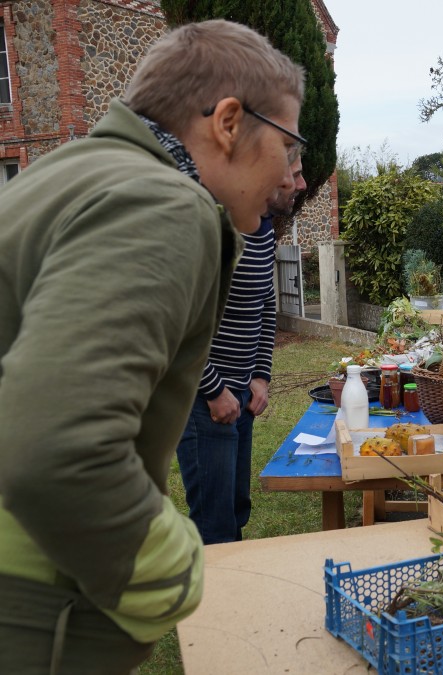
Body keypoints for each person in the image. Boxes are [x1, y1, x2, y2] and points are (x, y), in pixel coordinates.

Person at [0, 20, 305, 673]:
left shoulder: (75, 172)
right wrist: (177, 567)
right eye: (289, 142)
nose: (291, 171)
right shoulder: (162, 202)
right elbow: (57, 449)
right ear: (228, 122)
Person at [177, 159, 307, 544]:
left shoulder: (262, 228)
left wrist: (261, 375)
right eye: (294, 173)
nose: (300, 184)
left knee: (235, 511)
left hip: (242, 398)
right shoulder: (213, 225)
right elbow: (179, 319)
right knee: (215, 528)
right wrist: (215, 391)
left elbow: (266, 303)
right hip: (205, 403)